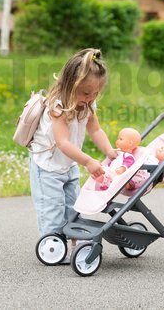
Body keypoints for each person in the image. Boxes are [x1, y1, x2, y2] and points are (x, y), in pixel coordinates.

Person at [29, 48, 117, 260]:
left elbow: (95, 129)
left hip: (69, 166)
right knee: (52, 208)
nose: (91, 98)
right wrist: (88, 161)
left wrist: (109, 151)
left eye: (95, 93)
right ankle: (53, 245)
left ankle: (75, 240)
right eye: (86, 93)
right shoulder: (57, 106)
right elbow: (62, 142)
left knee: (73, 206)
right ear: (70, 85)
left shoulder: (87, 103)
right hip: (48, 167)